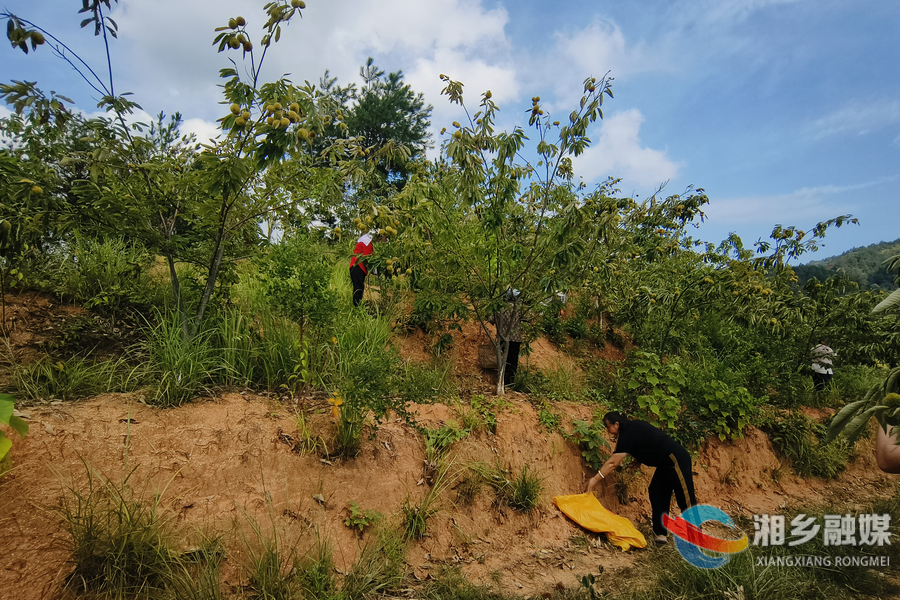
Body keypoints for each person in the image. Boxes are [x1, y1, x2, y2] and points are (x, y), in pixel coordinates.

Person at [586, 412, 696, 544]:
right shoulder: (631, 429)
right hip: (663, 463)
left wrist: (595, 479)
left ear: (617, 424)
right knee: (657, 492)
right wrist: (639, 460)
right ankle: (660, 534)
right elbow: (648, 442)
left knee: (685, 497)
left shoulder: (627, 433)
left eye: (608, 427)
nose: (608, 431)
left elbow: (613, 462)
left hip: (676, 459)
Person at [349, 232, 373, 307]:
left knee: (358, 287)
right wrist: (373, 269)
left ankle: (357, 306)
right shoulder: (366, 243)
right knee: (358, 288)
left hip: (355, 267)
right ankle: (357, 307)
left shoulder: (364, 243)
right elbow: (367, 258)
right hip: (358, 267)